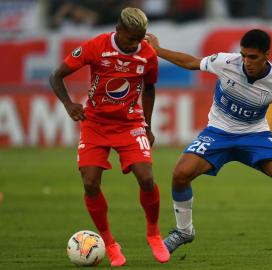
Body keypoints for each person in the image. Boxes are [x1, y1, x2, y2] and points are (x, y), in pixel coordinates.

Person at [146, 29, 272, 258]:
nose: (247, 62)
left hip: (255, 136)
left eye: (253, 57)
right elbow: (191, 62)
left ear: (267, 55)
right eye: (244, 55)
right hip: (218, 132)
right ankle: (184, 231)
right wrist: (158, 50)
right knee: (180, 174)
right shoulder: (225, 61)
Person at [49, 7, 170, 266]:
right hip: (96, 123)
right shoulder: (96, 46)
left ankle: (154, 234)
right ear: (118, 30)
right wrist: (69, 105)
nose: (135, 44)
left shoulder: (148, 54)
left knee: (147, 178)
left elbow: (149, 90)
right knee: (90, 182)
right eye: (130, 38)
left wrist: (147, 126)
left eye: (140, 38)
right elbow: (56, 76)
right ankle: (110, 243)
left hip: (130, 123)